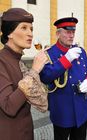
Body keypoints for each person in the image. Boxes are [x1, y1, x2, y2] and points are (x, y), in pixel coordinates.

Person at [40, 17, 87, 140]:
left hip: (81, 110)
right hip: (62, 111)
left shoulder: (81, 51)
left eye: (73, 32)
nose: (71, 35)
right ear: (58, 33)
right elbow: (45, 77)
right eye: (67, 32)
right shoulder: (49, 53)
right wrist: (66, 60)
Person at [0, 8, 48, 140]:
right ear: (10, 33)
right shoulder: (1, 60)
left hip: (26, 132)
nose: (30, 33)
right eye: (24, 28)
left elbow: (41, 103)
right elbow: (9, 106)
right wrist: (34, 71)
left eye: (31, 29)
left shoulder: (19, 61)